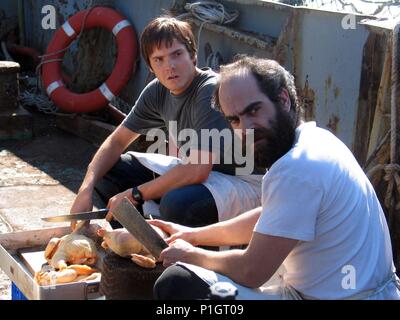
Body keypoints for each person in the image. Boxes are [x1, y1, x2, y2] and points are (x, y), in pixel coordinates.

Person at [150, 55, 400, 300]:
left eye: (254, 111)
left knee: (177, 283)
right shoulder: (315, 139)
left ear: (283, 100)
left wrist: (191, 254)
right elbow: (270, 216)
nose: (246, 128)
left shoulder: (296, 169)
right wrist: (192, 235)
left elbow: (252, 272)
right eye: (235, 120)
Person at [70, 16, 262, 229]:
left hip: (245, 183)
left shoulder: (210, 89)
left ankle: (197, 248)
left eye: (177, 54)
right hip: (206, 178)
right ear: (151, 66)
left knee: (176, 203)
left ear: (193, 55)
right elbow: (116, 142)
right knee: (110, 170)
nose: (169, 66)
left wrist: (135, 194)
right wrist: (85, 189)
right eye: (158, 59)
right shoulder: (157, 91)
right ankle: (136, 239)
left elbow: (197, 169)